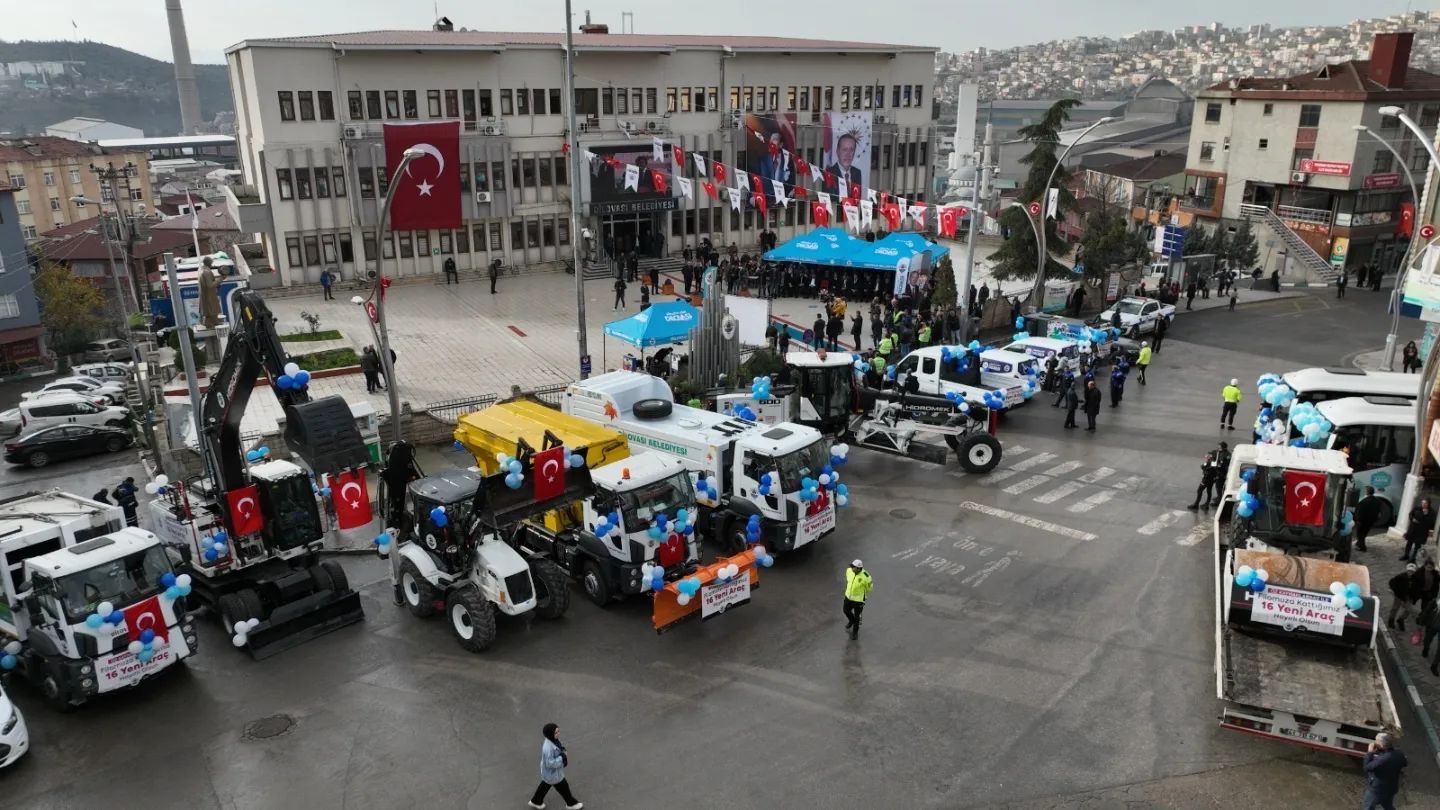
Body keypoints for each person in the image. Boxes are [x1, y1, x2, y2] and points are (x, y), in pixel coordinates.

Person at [528, 723, 583, 810]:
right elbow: (550, 763)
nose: (558, 733)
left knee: (545, 785)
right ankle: (571, 804)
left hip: (550, 773)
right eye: (556, 732)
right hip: (553, 773)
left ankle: (536, 801)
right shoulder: (548, 748)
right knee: (563, 787)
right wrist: (562, 757)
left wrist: (562, 751)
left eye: (558, 731)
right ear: (550, 734)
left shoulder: (553, 739)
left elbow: (557, 749)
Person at [1363, 733, 1407, 810]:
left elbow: (1367, 767)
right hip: (1391, 788)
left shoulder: (1382, 760)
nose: (1375, 743)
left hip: (1378, 789)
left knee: (1368, 807)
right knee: (1387, 805)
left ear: (1382, 745)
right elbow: (1404, 763)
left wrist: (1370, 753)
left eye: (1376, 741)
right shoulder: (1399, 754)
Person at [823, 133, 863, 197]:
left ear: (854, 152)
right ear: (837, 151)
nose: (848, 154)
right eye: (844, 150)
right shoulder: (828, 174)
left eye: (851, 150)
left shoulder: (857, 173)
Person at [842, 559, 873, 640]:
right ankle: (851, 621)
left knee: (857, 617)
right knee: (845, 610)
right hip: (848, 597)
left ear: (859, 568)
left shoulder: (866, 577)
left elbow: (869, 588)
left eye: (853, 567)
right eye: (851, 566)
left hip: (858, 601)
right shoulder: (849, 571)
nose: (851, 568)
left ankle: (855, 632)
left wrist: (863, 595)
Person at [1402, 498, 1436, 563]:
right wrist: (1412, 519)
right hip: (1413, 529)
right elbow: (1410, 514)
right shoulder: (1417, 508)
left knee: (1417, 546)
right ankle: (1406, 555)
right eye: (1422, 503)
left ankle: (1413, 558)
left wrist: (1426, 515)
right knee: (1409, 543)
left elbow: (1430, 522)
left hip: (1421, 532)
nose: (1423, 504)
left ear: (1428, 504)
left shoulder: (1431, 512)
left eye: (1425, 503)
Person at [1390, 563, 1420, 630]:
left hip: (1409, 597)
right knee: (1395, 608)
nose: (1410, 572)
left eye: (1412, 571)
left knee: (1408, 610)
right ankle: (1391, 621)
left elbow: (1417, 588)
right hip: (1399, 595)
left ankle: (1401, 619)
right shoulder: (1400, 577)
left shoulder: (1416, 579)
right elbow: (1392, 582)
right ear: (1407, 570)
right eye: (1409, 571)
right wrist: (1396, 591)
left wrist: (1415, 596)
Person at [1355, 485, 1383, 553]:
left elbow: (1360, 512)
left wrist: (1358, 520)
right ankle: (1359, 543)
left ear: (1367, 492)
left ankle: (1362, 547)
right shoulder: (1378, 501)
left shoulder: (1363, 502)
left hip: (1363, 521)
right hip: (1371, 521)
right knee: (1364, 533)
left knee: (1360, 534)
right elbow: (1379, 511)